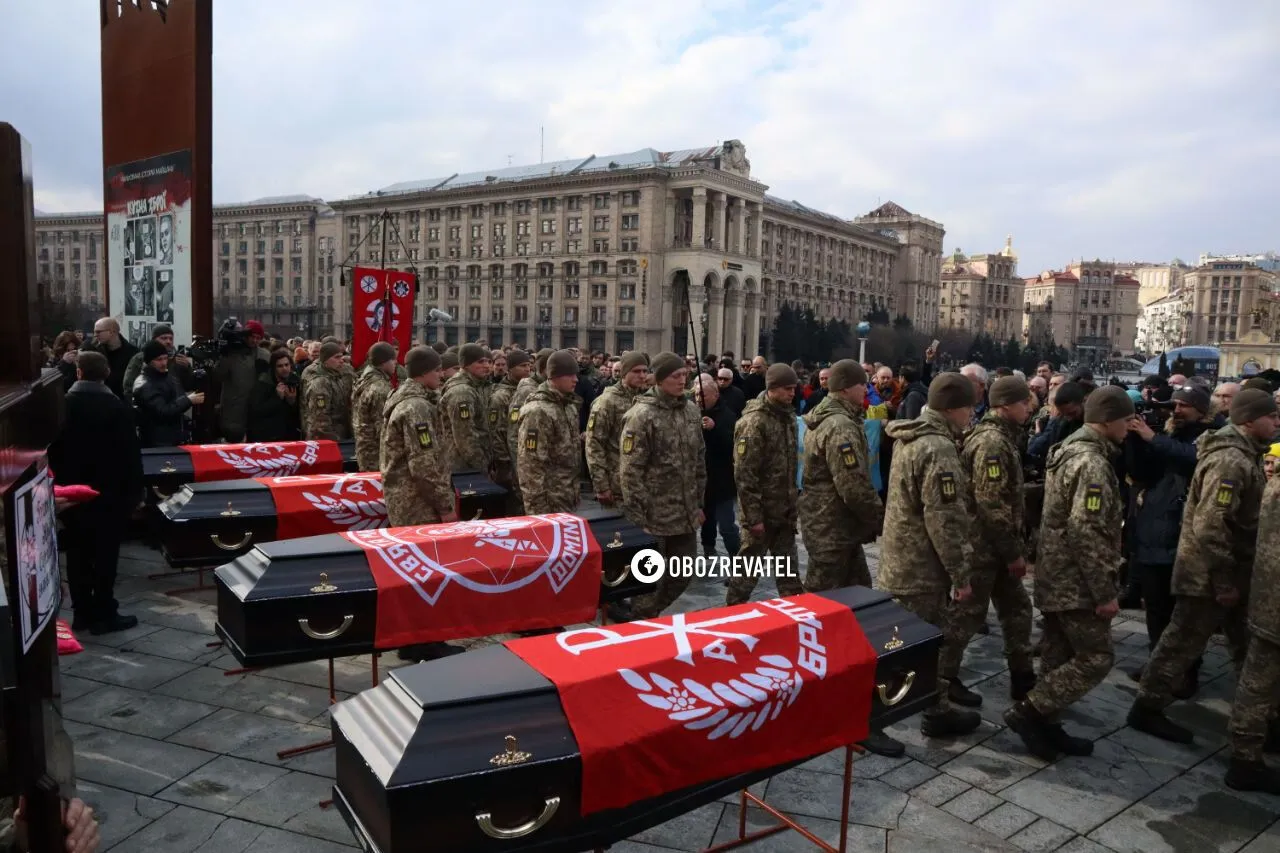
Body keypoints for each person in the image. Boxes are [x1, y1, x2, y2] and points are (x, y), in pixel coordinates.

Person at [1127, 389, 1279, 745]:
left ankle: (1261, 719)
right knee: (1181, 643)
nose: (1276, 421)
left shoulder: (1246, 454)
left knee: (1247, 647)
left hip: (1232, 572)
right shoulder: (1230, 461)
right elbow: (1211, 525)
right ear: (1248, 419)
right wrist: (1224, 580)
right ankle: (1147, 707)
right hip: (1208, 575)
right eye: (1270, 416)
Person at [1005, 386, 1133, 760]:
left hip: (1058, 573)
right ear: (1107, 420)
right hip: (1076, 581)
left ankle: (1046, 725)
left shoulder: (1070, 451)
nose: (1130, 427)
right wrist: (1104, 592)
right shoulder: (1091, 463)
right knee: (1096, 656)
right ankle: (1030, 712)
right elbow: (1087, 530)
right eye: (1126, 420)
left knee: (1058, 654)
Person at [800, 360, 899, 757]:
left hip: (830, 527)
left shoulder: (829, 418)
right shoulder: (841, 425)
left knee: (857, 604)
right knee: (821, 614)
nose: (868, 391)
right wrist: (878, 517)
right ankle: (815, 697)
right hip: (832, 529)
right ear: (849, 388)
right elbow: (854, 484)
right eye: (864, 386)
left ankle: (843, 690)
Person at [878, 373, 980, 738]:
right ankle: (867, 720)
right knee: (903, 646)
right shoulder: (938, 448)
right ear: (953, 408)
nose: (972, 413)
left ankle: (934, 708)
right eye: (969, 407)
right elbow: (945, 518)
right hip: (920, 566)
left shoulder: (913, 436)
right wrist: (960, 574)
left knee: (916, 642)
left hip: (902, 557)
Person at [1123, 385, 1221, 677]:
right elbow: (1143, 473)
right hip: (1157, 530)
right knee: (1156, 607)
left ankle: (1184, 672)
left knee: (1184, 615)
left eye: (1184, 405)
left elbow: (1193, 458)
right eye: (1173, 405)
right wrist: (1135, 440)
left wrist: (1152, 438)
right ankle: (1158, 665)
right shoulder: (1170, 435)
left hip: (1185, 536)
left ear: (1203, 410)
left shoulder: (1214, 435)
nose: (1176, 411)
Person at [48, 350, 143, 634]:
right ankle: (104, 611)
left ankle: (82, 613)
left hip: (72, 495)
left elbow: (53, 451)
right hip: (109, 495)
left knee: (77, 554)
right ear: (106, 374)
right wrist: (135, 494)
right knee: (105, 555)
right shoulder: (117, 409)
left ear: (78, 373)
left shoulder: (64, 406)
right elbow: (130, 456)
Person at [958, 376, 1038, 703]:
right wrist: (1013, 553)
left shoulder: (1003, 437)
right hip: (984, 549)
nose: (1028, 409)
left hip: (996, 548)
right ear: (1005, 405)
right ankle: (938, 680)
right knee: (965, 618)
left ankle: (1023, 676)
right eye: (1023, 403)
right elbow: (991, 503)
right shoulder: (992, 442)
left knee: (1018, 609)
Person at [619, 352, 706, 618]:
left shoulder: (691, 410)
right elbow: (630, 471)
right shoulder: (641, 415)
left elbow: (699, 460)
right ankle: (641, 629)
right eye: (675, 376)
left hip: (685, 514)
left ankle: (646, 617)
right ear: (658, 380)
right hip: (653, 516)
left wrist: (699, 504)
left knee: (683, 573)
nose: (682, 381)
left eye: (684, 375)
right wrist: (638, 518)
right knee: (647, 583)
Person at [725, 363, 806, 605]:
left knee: (789, 575)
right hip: (761, 514)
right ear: (772, 389)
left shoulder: (787, 417)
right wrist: (753, 517)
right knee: (747, 574)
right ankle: (731, 614)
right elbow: (744, 473)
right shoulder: (754, 422)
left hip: (784, 513)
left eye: (794, 388)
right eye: (787, 389)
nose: (792, 393)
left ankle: (795, 618)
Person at [1225, 471, 1280, 793]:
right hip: (1272, 602)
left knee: (1258, 678)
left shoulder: (1272, 484)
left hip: (1264, 594)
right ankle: (1245, 758)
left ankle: (1252, 746)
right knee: (1259, 681)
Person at [381, 347, 456, 527]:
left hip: (407, 498)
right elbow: (423, 463)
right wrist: (444, 506)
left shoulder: (403, 396)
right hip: (418, 504)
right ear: (423, 373)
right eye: (437, 370)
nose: (441, 375)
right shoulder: (416, 407)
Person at [517, 351, 583, 514]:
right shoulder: (538, 411)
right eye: (569, 375)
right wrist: (538, 510)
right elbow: (530, 465)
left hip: (566, 496)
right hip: (548, 501)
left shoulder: (568, 405)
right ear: (554, 376)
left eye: (576, 374)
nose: (575, 379)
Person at [586, 352, 648, 509]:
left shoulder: (646, 399)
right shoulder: (607, 402)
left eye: (644, 371)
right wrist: (601, 486)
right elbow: (594, 445)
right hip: (617, 485)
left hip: (643, 483)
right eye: (636, 371)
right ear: (624, 373)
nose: (642, 376)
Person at [696, 373, 740, 558]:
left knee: (727, 524)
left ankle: (738, 559)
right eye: (697, 395)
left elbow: (733, 445)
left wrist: (715, 429)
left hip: (722, 479)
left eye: (703, 395)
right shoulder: (691, 412)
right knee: (705, 518)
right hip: (700, 478)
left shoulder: (727, 415)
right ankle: (708, 547)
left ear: (715, 395)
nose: (699, 399)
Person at [133, 340, 204, 447]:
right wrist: (188, 400)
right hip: (157, 441)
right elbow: (163, 411)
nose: (163, 363)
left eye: (165, 358)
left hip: (173, 437)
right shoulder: (145, 384)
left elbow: (175, 400)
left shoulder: (167, 376)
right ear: (148, 361)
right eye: (159, 359)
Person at [440, 343, 493, 471]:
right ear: (466, 365)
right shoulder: (462, 392)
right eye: (480, 362)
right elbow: (464, 436)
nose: (486, 366)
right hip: (462, 465)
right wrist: (481, 465)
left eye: (487, 361)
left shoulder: (473, 386)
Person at [488, 349, 531, 504]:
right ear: (510, 368)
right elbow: (496, 431)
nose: (527, 369)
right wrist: (504, 463)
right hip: (508, 461)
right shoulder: (501, 396)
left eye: (529, 365)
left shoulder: (528, 389)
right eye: (522, 366)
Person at [351, 342, 399, 472]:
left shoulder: (365, 379)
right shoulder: (380, 388)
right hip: (376, 453)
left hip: (365, 449)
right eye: (392, 359)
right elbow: (383, 429)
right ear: (383, 362)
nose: (396, 362)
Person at [301, 341, 353, 441]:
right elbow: (320, 420)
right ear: (325, 361)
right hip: (327, 439)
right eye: (336, 357)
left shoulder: (334, 376)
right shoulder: (320, 383)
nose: (341, 360)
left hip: (339, 435)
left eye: (341, 356)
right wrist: (333, 441)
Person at [246, 348, 300, 441]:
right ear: (274, 368)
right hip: (268, 435)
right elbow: (256, 411)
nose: (284, 368)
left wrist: (292, 402)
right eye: (280, 366)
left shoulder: (295, 381)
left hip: (289, 435)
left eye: (286, 365)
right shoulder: (263, 383)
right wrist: (277, 398)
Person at [82, 317, 138, 400]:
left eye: (98, 332)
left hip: (122, 401)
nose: (95, 335)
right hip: (98, 399)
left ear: (111, 332)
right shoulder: (92, 349)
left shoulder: (133, 353)